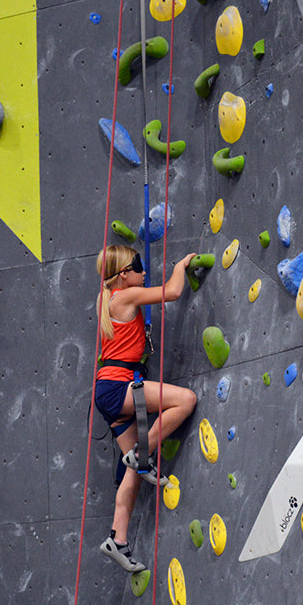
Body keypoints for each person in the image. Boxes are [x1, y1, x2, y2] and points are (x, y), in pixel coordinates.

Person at [94, 244, 197, 572]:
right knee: (186, 400)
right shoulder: (126, 296)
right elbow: (173, 291)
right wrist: (181, 263)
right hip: (118, 386)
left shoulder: (107, 297)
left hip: (109, 390)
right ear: (123, 274)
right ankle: (142, 453)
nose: (143, 272)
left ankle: (117, 539)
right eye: (138, 267)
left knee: (133, 472)